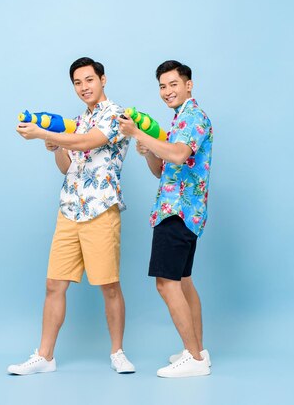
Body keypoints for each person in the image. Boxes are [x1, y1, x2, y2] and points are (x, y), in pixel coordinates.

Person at [10, 57, 135, 375]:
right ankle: (45, 356)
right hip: (69, 209)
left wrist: (41, 134)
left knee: (108, 285)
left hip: (100, 210)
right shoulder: (78, 120)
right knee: (54, 285)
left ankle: (118, 352)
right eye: (78, 82)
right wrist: (56, 147)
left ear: (102, 79)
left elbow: (89, 141)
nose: (84, 87)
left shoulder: (116, 116)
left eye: (89, 80)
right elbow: (69, 167)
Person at [118, 60, 213, 378]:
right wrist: (148, 151)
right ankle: (197, 351)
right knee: (184, 282)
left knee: (166, 283)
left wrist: (137, 132)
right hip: (177, 209)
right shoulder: (179, 121)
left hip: (178, 211)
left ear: (189, 85)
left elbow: (179, 154)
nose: (167, 90)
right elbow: (163, 169)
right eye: (162, 85)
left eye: (173, 83)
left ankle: (195, 359)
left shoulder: (194, 117)